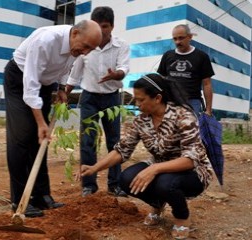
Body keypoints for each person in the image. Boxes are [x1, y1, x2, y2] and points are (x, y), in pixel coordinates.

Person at [79, 73, 213, 239]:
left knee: (165, 183)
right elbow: (122, 150)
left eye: (141, 100)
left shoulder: (183, 116)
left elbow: (191, 159)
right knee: (126, 179)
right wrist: (95, 168)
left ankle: (182, 217)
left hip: (193, 172)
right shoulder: (141, 121)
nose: (137, 104)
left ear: (157, 98)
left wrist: (155, 169)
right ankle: (157, 203)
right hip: (162, 168)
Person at [3, 20, 102, 218]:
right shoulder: (45, 41)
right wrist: (41, 123)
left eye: (90, 49)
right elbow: (30, 87)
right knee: (21, 138)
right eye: (85, 47)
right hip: (20, 80)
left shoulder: (76, 47)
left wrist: (61, 88)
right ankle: (20, 200)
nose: (85, 52)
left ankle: (41, 195)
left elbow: (66, 67)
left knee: (40, 142)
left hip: (45, 84)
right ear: (74, 34)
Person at [66, 6, 130, 197]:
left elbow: (124, 68)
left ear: (112, 26)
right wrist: (65, 91)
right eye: (98, 26)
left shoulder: (121, 46)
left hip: (112, 98)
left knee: (114, 142)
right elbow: (75, 71)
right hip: (89, 98)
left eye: (106, 26)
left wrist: (116, 74)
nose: (102, 31)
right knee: (88, 142)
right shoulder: (86, 44)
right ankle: (89, 185)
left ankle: (115, 184)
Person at [157, 24, 215, 116]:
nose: (177, 42)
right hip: (171, 102)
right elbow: (160, 81)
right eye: (175, 39)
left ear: (190, 37)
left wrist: (208, 110)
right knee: (169, 129)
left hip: (192, 102)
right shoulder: (167, 55)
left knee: (188, 129)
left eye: (181, 38)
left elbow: (207, 84)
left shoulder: (201, 56)